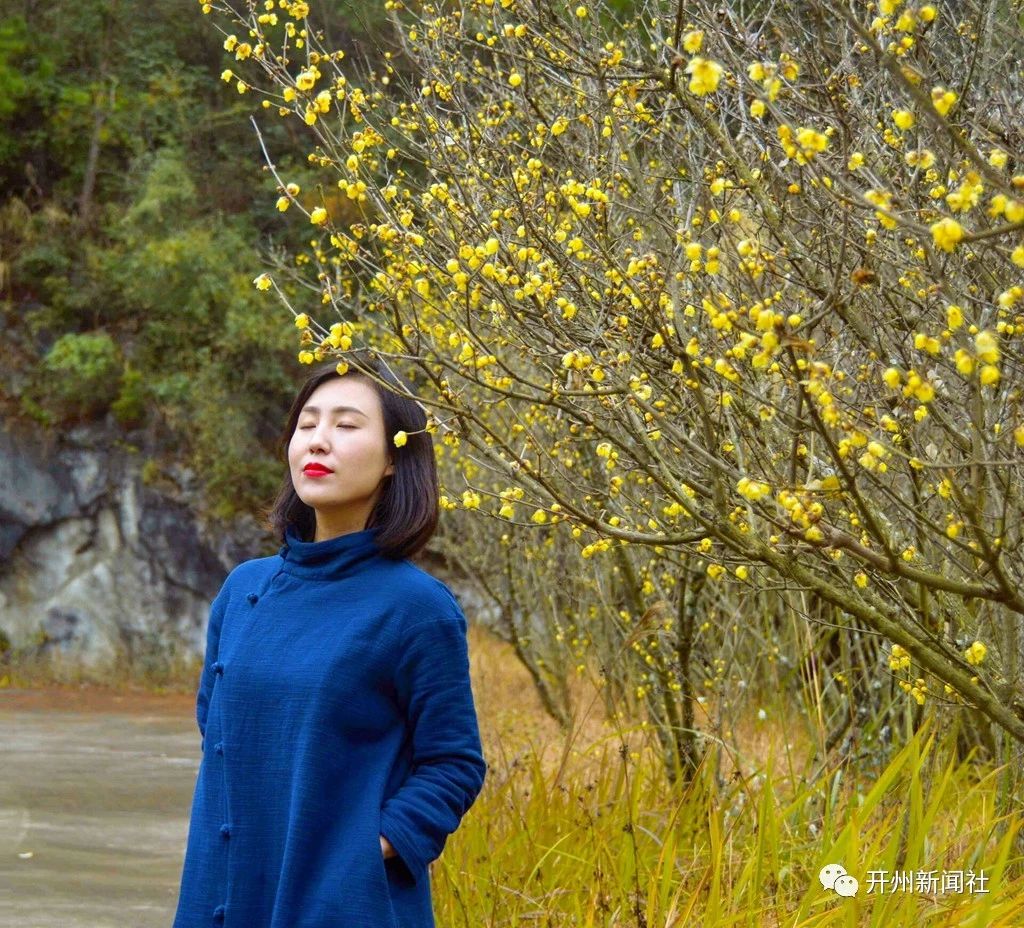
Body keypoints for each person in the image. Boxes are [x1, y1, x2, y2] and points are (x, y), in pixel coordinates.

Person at [171, 353, 487, 928]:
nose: (318, 441)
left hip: (344, 904)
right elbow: (217, 730)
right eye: (307, 423)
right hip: (222, 892)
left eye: (345, 425)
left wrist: (363, 853)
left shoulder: (416, 608)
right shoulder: (245, 590)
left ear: (395, 459)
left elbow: (454, 763)